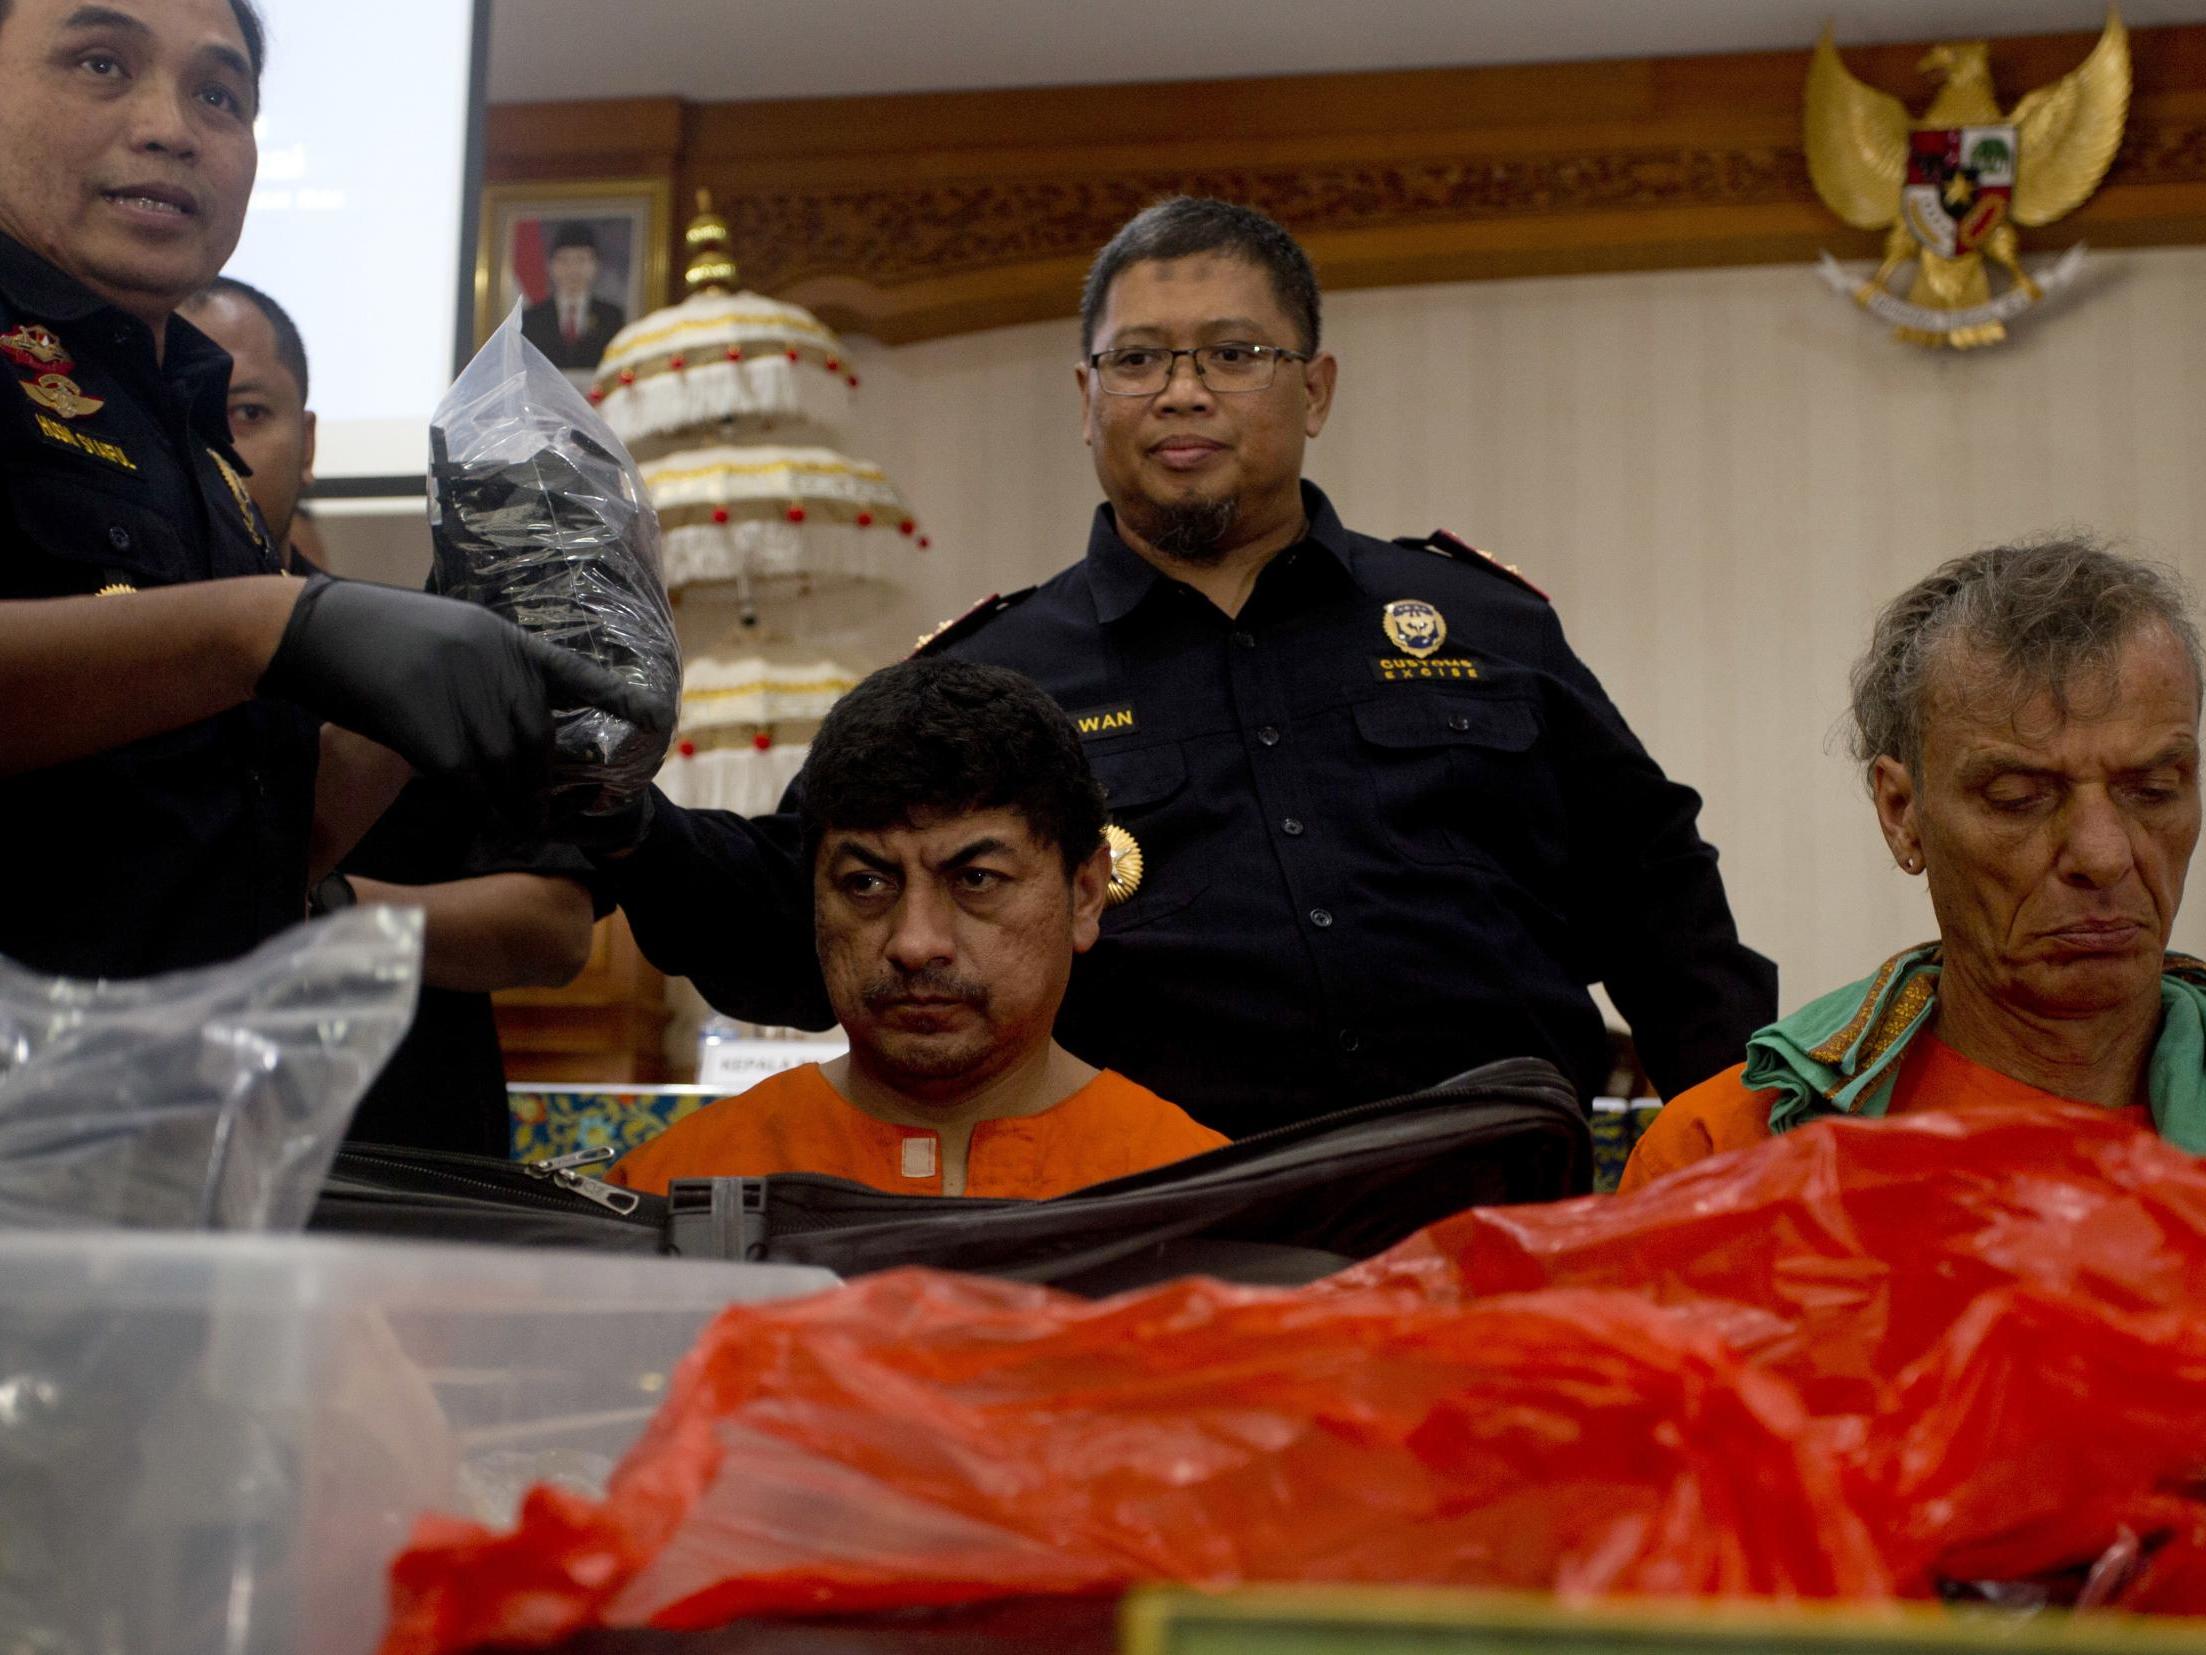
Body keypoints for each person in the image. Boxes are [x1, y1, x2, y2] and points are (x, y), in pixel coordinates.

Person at [605, 197, 1775, 1137]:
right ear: (1086, 397)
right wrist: (607, 810)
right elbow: (798, 921)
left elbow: (1659, 899)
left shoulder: (1481, 622)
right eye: (1139, 359)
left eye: (1233, 352)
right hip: (1153, 1236)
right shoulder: (990, 680)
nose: (1181, 389)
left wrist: (1740, 1145)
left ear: (1313, 390)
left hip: (1495, 1219)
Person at [0, 0, 659, 981]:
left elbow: (264, 846)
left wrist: (476, 638)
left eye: (219, 95)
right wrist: (274, 627)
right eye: (101, 64)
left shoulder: (199, 446)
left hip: (173, 1095)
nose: (169, 128)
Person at [1620, 537, 2203, 1191]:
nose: (2103, 855)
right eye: (2020, 799)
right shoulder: (1731, 1157)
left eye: (2154, 790)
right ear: (1902, 811)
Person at [183, 275, 601, 1157]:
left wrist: (322, 912)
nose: (215, 445)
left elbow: (553, 924)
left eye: (248, 412)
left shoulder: (414, 653)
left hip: (407, 1164)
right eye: (176, 410)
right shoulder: (61, 663)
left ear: (308, 442)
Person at [609, 657, 1228, 1198]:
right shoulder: (676, 1193)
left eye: (977, 879)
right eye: (867, 884)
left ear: (1085, 894)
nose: (914, 944)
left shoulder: (1196, 1200)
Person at [520, 222, 624, 373]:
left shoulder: (611, 316)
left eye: (581, 259)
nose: (573, 269)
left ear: (596, 266)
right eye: (564, 260)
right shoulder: (532, 318)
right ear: (550, 266)